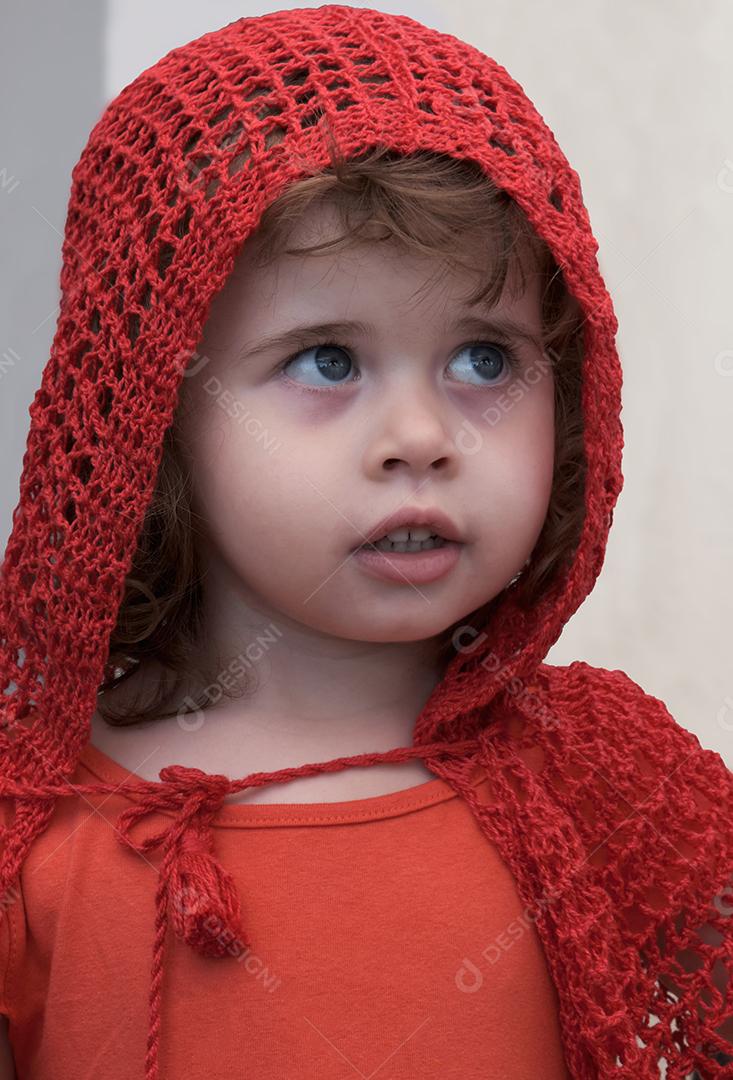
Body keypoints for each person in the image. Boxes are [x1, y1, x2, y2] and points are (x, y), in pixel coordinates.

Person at [0, 6, 732, 1079]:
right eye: (328, 360)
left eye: (484, 360)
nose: (421, 440)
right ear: (153, 411)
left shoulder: (611, 794)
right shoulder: (35, 825)